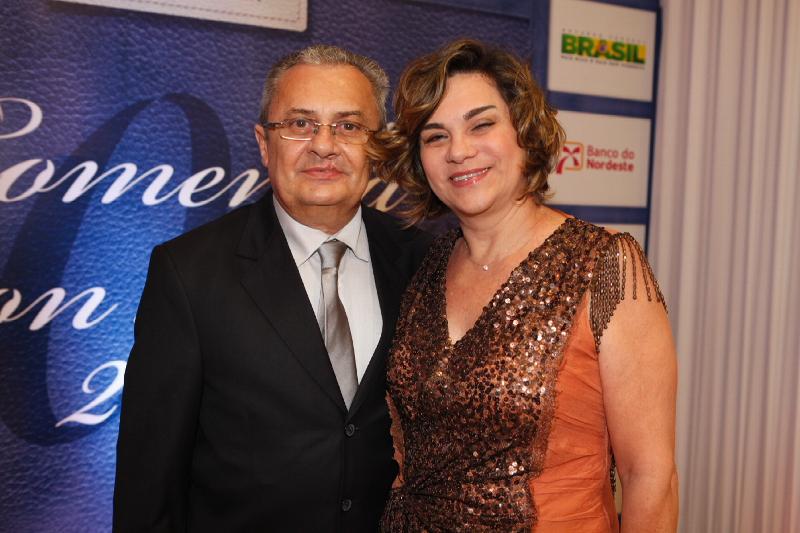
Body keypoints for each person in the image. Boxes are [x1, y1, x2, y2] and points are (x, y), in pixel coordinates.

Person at [113, 45, 431, 532]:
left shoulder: (423, 261)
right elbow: (149, 479)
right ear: (264, 143)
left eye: (348, 126)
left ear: (379, 145)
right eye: (300, 124)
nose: (323, 145)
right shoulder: (188, 272)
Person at [371, 39, 678, 532]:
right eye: (435, 136)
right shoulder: (426, 267)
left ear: (524, 130)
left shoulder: (604, 265)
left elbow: (651, 478)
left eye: (481, 124)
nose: (459, 151)